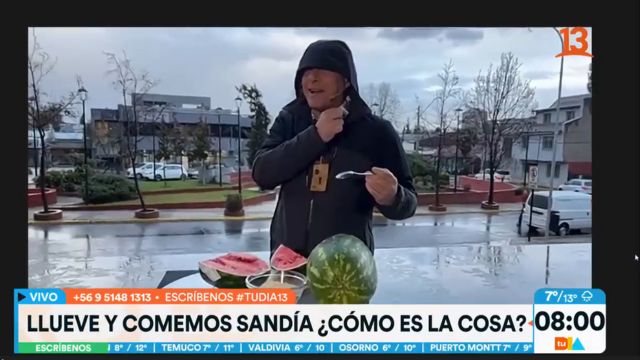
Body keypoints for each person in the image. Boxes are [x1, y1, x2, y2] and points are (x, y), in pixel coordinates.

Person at [252, 40, 417, 258]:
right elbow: (262, 174)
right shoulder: (289, 119)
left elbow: (410, 203)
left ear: (346, 79)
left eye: (323, 69)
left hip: (347, 271)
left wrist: (393, 197)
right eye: (306, 71)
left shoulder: (378, 132)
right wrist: (316, 136)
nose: (312, 77)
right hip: (288, 266)